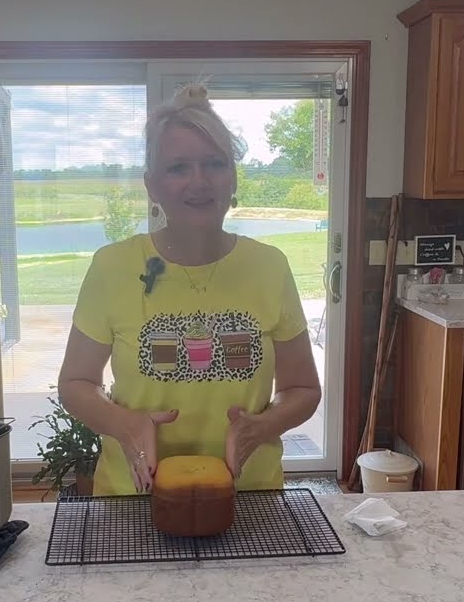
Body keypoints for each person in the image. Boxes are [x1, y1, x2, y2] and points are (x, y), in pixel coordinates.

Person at [57, 84, 322, 495]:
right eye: (178, 168)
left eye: (215, 164)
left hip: (247, 495)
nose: (199, 181)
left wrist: (262, 426)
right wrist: (124, 423)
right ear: (152, 185)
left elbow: (303, 388)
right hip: (136, 496)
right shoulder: (112, 267)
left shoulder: (269, 267)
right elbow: (75, 382)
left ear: (233, 178)